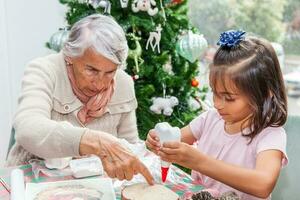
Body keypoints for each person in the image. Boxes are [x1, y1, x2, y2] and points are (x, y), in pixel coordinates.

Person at [7, 14, 153, 184]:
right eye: (91, 70)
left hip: (94, 185)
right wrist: (94, 141)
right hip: (31, 182)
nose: (100, 83)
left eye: (110, 72)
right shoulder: (44, 70)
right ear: (70, 56)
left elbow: (129, 146)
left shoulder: (123, 82)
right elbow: (28, 128)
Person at [146, 30, 288, 199]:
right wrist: (159, 142)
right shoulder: (210, 119)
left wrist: (199, 162)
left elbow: (263, 184)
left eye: (229, 98)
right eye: (215, 93)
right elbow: (174, 141)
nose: (217, 104)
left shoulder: (270, 135)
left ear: (266, 93)